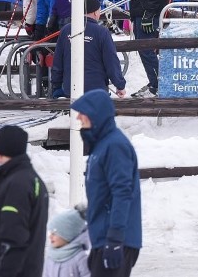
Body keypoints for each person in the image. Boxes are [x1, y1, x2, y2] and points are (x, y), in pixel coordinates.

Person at [70, 90, 142, 277]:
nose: (78, 117)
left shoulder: (115, 146)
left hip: (118, 239)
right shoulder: (101, 146)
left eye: (83, 112)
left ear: (97, 114)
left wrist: (115, 237)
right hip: (103, 237)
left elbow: (122, 192)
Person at [0, 125, 49, 277]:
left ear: (1, 150)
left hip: (11, 271)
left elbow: (13, 238)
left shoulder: (17, 185)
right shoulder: (30, 179)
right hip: (28, 267)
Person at [51, 0, 127, 98]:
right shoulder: (102, 32)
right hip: (96, 90)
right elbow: (111, 62)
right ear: (95, 12)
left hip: (70, 89)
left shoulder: (66, 30)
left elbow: (58, 61)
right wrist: (120, 85)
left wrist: (56, 86)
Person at [43, 207, 90, 277]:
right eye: (50, 233)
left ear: (68, 234)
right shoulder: (50, 257)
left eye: (54, 233)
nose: (50, 236)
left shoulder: (80, 257)